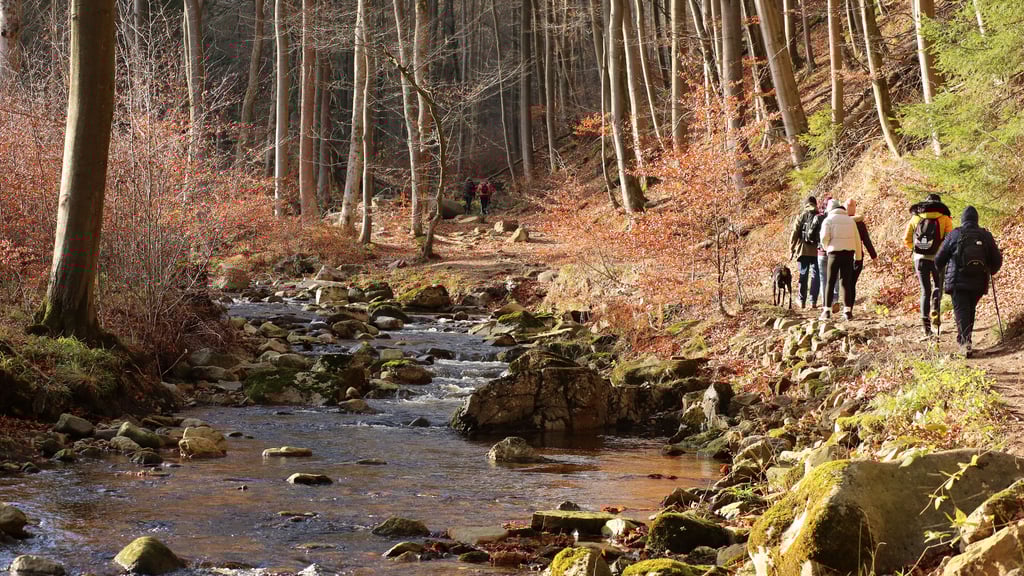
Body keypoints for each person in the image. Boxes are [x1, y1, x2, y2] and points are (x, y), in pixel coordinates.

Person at [935, 206, 1002, 357]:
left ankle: (965, 343)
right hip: (978, 281)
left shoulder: (954, 234)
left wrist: (939, 271)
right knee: (970, 310)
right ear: (976, 220)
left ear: (963, 219)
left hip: (957, 281)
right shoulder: (985, 235)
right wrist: (991, 271)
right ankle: (967, 341)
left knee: (962, 311)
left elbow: (939, 258)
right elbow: (997, 259)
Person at [904, 193, 954, 338]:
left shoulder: (915, 218)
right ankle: (935, 313)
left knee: (925, 290)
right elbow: (950, 240)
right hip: (938, 259)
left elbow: (906, 239)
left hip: (919, 259)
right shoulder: (944, 218)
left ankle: (925, 327)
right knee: (938, 286)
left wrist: (916, 250)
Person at [819, 198, 861, 320]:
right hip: (849, 253)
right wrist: (858, 257)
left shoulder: (828, 220)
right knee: (845, 282)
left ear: (830, 209)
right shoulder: (850, 220)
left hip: (834, 253)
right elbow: (857, 239)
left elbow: (824, 238)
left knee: (830, 281)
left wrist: (827, 248)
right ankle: (847, 312)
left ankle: (826, 311)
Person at [789, 195, 823, 309]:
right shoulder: (819, 216)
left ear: (806, 204)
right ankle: (813, 301)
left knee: (803, 274)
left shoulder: (802, 216)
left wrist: (791, 248)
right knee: (816, 275)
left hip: (803, 250)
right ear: (815, 204)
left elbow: (794, 233)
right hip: (816, 251)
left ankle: (802, 300)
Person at [845, 199, 877, 294]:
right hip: (858, 255)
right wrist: (873, 256)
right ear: (854, 208)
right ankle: (849, 302)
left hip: (844, 255)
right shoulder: (859, 223)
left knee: (847, 280)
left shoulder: (840, 222)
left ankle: (847, 299)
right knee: (852, 281)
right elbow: (867, 241)